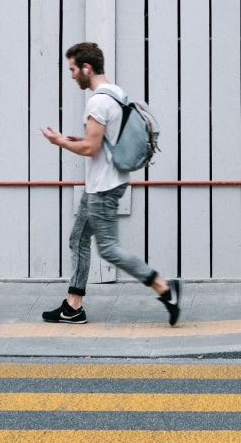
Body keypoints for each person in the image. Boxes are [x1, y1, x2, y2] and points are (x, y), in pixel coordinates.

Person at [39, 41, 182, 326]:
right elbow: (103, 140)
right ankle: (73, 306)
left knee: (108, 248)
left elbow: (91, 149)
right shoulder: (116, 93)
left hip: (103, 187)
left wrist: (59, 143)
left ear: (86, 68)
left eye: (72, 69)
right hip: (100, 184)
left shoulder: (98, 101)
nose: (71, 75)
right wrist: (70, 139)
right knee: (77, 239)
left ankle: (165, 288)